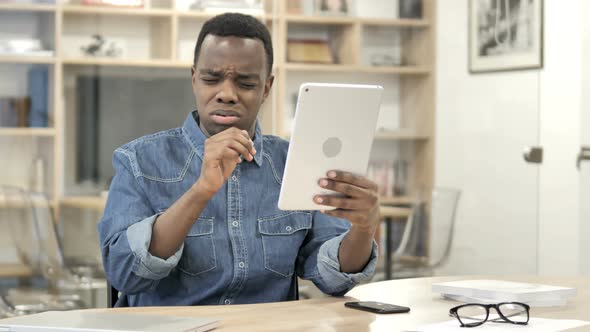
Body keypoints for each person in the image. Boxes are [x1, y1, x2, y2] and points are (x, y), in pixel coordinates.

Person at [98, 13, 379, 307]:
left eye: (245, 83)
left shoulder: (294, 163)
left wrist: (363, 228)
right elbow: (124, 273)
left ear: (266, 88)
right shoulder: (138, 161)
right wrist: (201, 190)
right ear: (194, 79)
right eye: (211, 79)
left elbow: (332, 278)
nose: (227, 94)